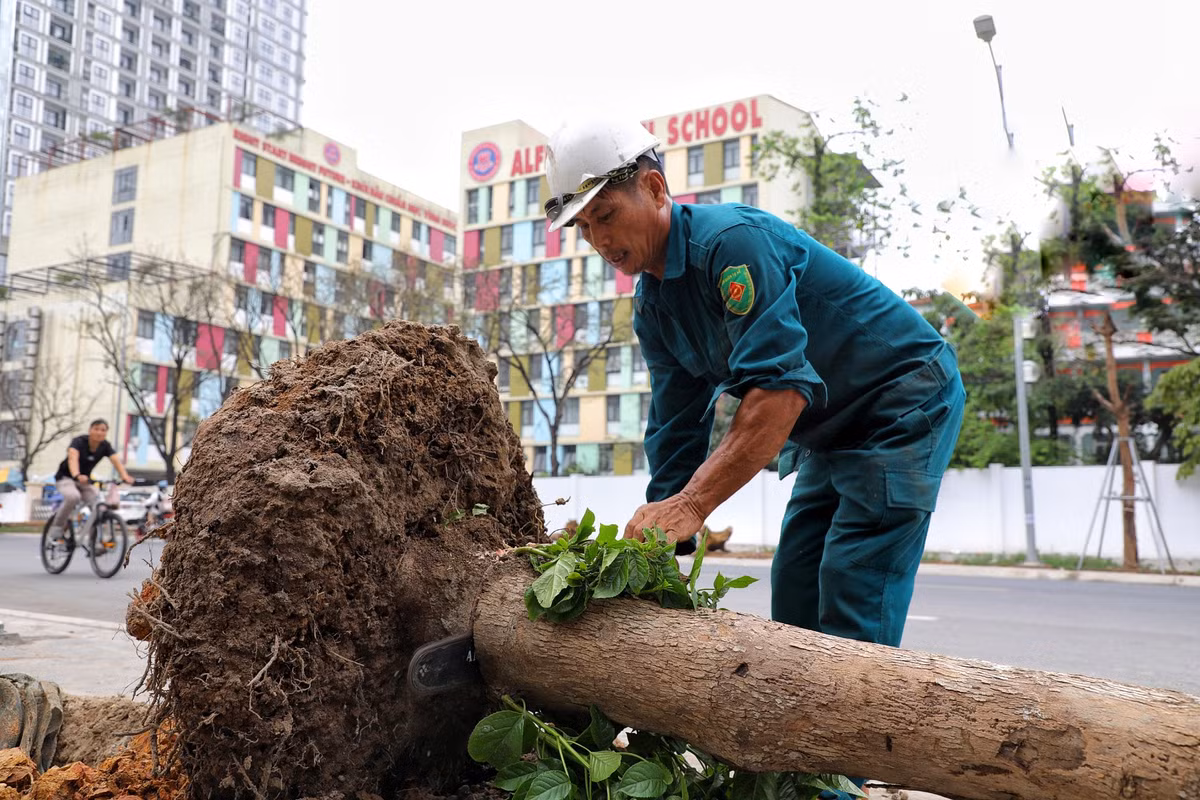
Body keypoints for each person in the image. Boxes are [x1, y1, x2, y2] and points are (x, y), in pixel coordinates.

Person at [544, 117, 965, 652]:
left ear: (653, 188)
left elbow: (780, 393)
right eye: (584, 228)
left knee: (852, 580)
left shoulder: (733, 245)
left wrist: (694, 505)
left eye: (605, 215)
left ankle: (856, 731)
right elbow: (675, 427)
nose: (599, 240)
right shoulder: (654, 307)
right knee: (795, 585)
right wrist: (655, 553)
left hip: (903, 401)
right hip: (829, 427)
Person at [49, 419, 134, 538]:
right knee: (74, 496)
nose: (99, 432)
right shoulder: (78, 441)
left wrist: (125, 476)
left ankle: (97, 542)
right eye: (96, 429)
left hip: (85, 481)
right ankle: (57, 527)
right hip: (66, 478)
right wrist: (77, 475)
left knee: (98, 506)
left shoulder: (105, 446)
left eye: (103, 430)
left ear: (106, 433)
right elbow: (72, 458)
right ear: (90, 430)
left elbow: (115, 460)